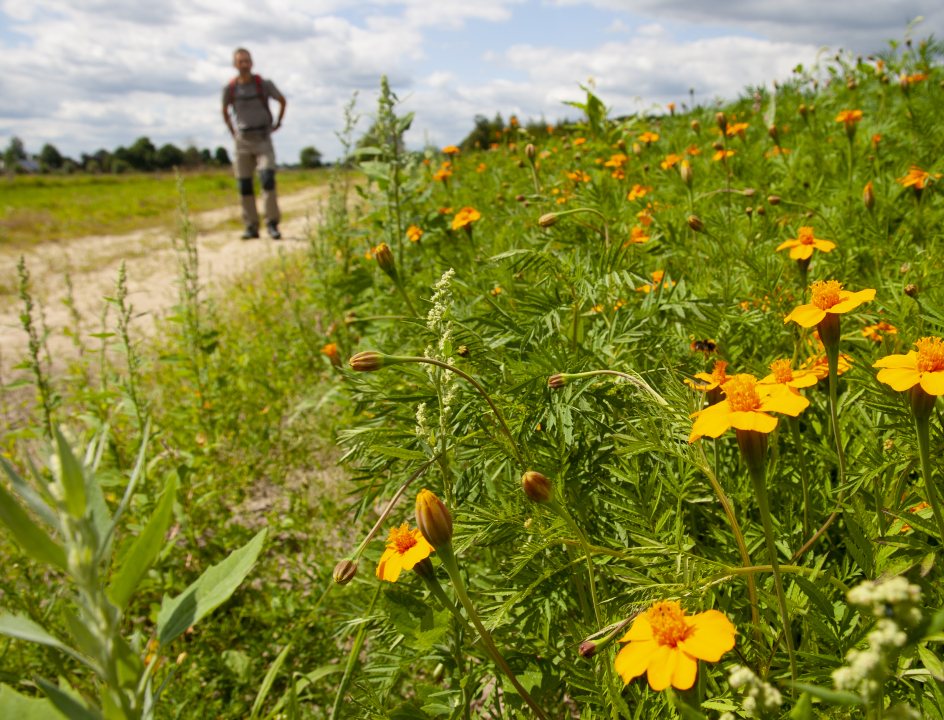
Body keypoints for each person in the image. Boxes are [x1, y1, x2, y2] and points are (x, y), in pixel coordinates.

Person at [222, 47, 287, 240]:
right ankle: (251, 226)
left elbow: (282, 100)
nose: (244, 65)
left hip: (263, 138)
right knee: (244, 185)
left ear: (252, 63)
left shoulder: (263, 84)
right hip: (242, 140)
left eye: (247, 61)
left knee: (267, 179)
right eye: (240, 61)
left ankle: (272, 223)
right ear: (235, 65)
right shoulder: (230, 88)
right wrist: (233, 132)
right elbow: (224, 110)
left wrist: (277, 123)